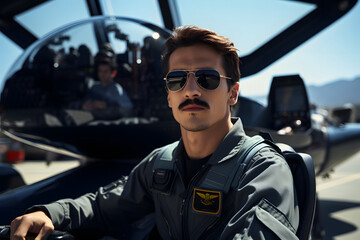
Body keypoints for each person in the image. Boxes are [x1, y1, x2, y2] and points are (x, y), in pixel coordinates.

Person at [10, 26, 299, 240]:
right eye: (177, 80)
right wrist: (48, 214)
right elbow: (104, 205)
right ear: (168, 96)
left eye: (207, 78)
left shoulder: (262, 169)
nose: (191, 90)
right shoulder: (160, 163)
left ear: (233, 93)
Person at [81, 48, 133, 117]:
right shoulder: (94, 88)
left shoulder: (116, 89)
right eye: (100, 71)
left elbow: (127, 109)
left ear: (113, 73)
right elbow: (85, 103)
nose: (102, 74)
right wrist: (84, 105)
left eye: (105, 71)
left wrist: (106, 105)